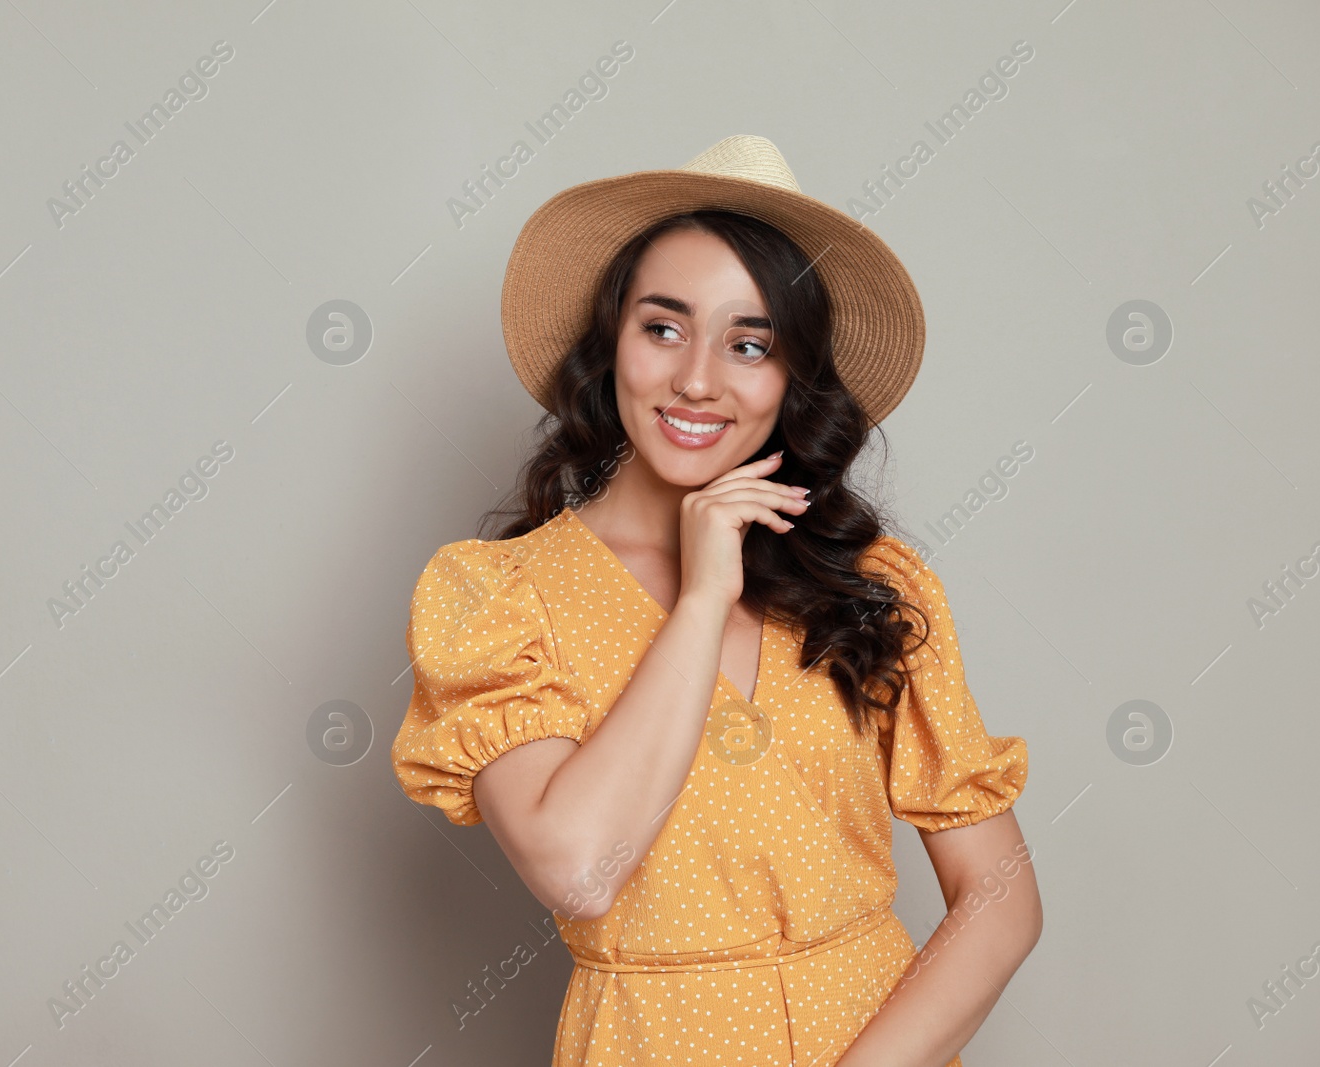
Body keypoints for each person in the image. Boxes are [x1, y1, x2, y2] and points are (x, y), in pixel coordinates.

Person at [391, 134, 1040, 1066]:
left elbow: (1003, 895)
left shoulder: (871, 580)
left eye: (750, 343)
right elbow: (579, 869)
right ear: (610, 341)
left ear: (792, 378)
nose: (698, 377)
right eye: (663, 327)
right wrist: (701, 599)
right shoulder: (496, 597)